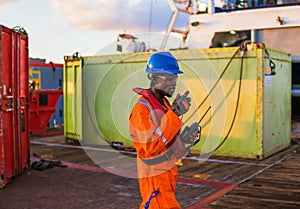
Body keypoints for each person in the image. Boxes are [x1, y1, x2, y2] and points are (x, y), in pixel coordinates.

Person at [129, 52, 200, 209]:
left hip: (167, 171)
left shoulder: (164, 104)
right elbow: (151, 147)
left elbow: (166, 138)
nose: (173, 82)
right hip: (154, 174)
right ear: (153, 78)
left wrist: (184, 138)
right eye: (168, 78)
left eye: (174, 77)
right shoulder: (142, 109)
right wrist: (175, 114)